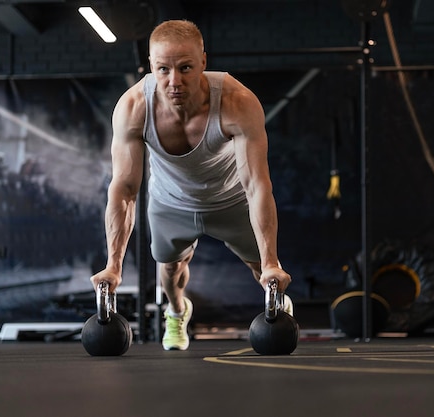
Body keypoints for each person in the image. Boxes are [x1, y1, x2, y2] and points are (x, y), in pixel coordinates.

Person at [91, 19, 292, 351]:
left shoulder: (237, 102)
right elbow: (124, 190)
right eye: (163, 69)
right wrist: (113, 266)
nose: (174, 81)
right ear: (152, 66)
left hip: (231, 199)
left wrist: (272, 261)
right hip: (172, 202)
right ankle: (177, 310)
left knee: (262, 268)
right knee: (169, 271)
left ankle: (279, 301)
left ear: (203, 62)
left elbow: (257, 185)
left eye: (185, 68)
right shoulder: (134, 108)